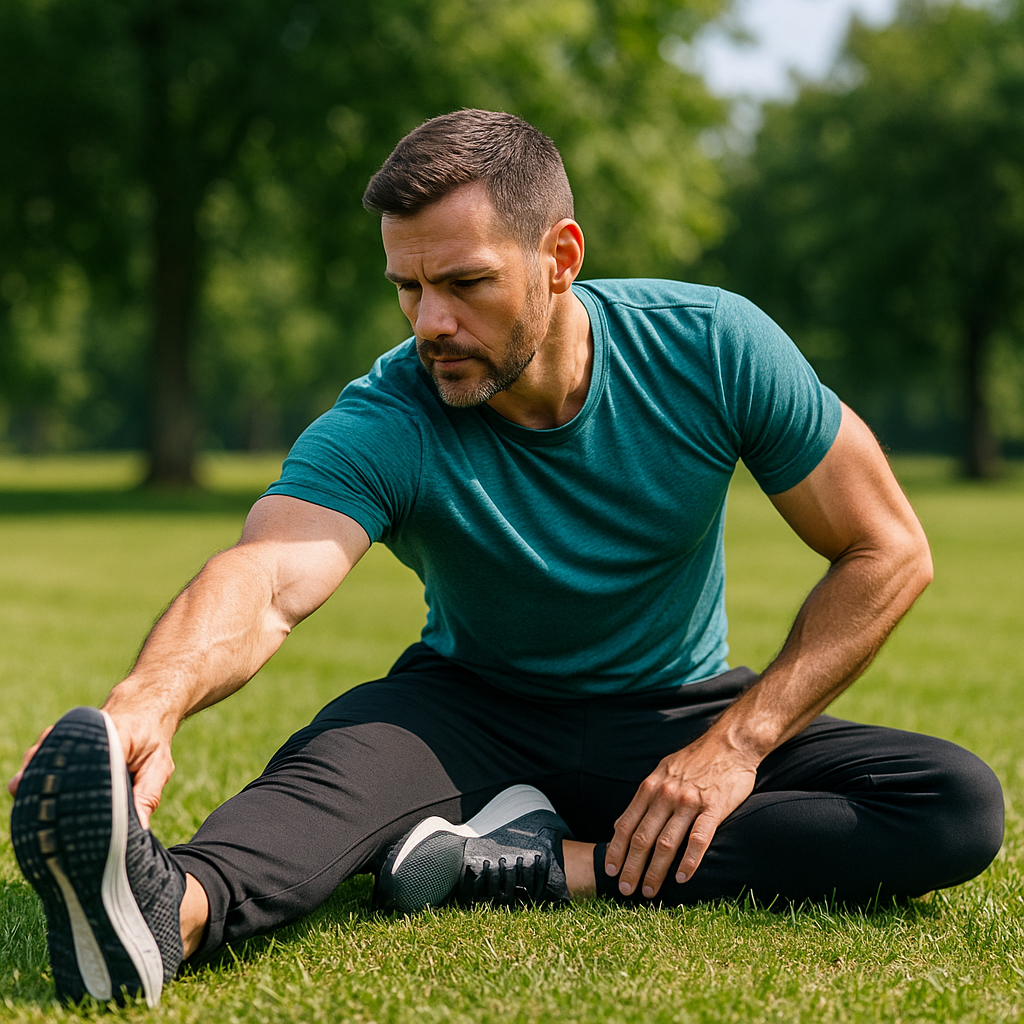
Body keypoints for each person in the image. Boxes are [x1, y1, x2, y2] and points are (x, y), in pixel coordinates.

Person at [9, 109, 1004, 1007]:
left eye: (464, 283)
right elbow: (267, 576)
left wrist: (735, 745)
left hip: (676, 710)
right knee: (325, 780)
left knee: (950, 803)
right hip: (467, 710)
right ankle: (156, 911)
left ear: (559, 255)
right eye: (407, 286)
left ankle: (531, 864)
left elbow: (886, 547)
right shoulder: (390, 413)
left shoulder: (710, 348)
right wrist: (153, 692)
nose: (429, 320)